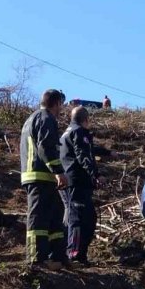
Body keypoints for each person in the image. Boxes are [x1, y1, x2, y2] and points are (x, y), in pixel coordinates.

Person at [21, 89, 70, 270]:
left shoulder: (32, 119)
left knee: (54, 217)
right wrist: (58, 171)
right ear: (56, 103)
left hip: (42, 178)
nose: (61, 109)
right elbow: (46, 147)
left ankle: (58, 255)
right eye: (60, 105)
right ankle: (36, 258)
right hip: (39, 177)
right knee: (38, 219)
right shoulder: (46, 118)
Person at [59, 107, 111, 266]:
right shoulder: (79, 132)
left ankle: (76, 254)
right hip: (76, 183)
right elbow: (83, 155)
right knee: (79, 219)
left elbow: (87, 148)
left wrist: (107, 152)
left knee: (82, 217)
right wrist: (96, 175)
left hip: (69, 182)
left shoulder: (67, 134)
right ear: (85, 120)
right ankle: (74, 255)